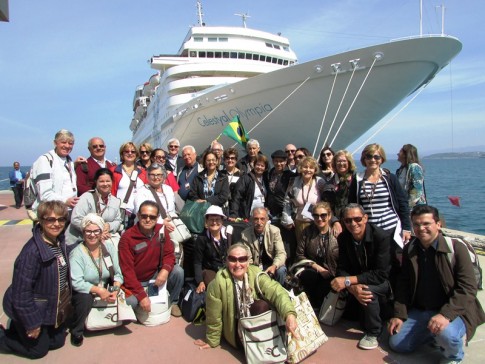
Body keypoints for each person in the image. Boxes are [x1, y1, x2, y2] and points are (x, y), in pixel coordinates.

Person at [388, 205, 485, 363]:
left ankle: (454, 355)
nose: (421, 228)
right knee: (398, 344)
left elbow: (468, 288)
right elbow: (403, 284)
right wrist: (400, 314)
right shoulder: (411, 249)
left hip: (454, 311)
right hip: (423, 309)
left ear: (438, 224)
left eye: (426, 224)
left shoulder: (456, 248)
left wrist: (445, 315)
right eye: (417, 224)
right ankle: (432, 333)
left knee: (447, 335)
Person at [194, 243, 299, 350]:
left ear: (248, 262)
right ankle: (258, 346)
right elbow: (214, 316)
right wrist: (212, 341)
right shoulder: (218, 283)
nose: (237, 264)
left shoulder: (256, 273)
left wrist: (289, 315)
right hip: (236, 330)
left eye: (242, 259)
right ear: (226, 261)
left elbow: (276, 292)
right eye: (232, 259)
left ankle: (265, 343)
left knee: (262, 305)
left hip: (257, 324)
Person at [1, 201, 71, 359]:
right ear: (40, 220)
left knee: (57, 341)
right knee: (38, 351)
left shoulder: (58, 241)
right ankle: (5, 336)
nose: (56, 224)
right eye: (50, 220)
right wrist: (32, 324)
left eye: (61, 219)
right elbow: (21, 294)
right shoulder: (31, 253)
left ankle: (17, 329)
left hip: (46, 306)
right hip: (28, 307)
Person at [331, 203, 393, 350]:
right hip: (358, 280)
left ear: (365, 218)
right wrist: (352, 287)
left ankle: (374, 332)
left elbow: (381, 274)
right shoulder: (344, 238)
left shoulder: (381, 237)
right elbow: (342, 268)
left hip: (383, 282)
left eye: (357, 219)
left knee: (366, 291)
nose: (353, 223)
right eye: (348, 220)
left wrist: (348, 281)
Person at [349, 143, 411, 271]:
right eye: (369, 156)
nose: (373, 160)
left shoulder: (389, 178)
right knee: (374, 262)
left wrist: (406, 227)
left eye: (376, 157)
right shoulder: (357, 179)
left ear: (381, 159)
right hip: (370, 230)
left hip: (391, 228)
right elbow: (352, 204)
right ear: (364, 159)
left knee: (394, 263)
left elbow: (403, 202)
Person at [118, 201, 184, 318]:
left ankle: (173, 302)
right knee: (130, 303)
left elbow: (169, 255)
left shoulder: (162, 231)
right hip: (136, 281)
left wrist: (165, 270)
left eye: (152, 217)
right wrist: (141, 295)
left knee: (178, 272)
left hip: (155, 275)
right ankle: (142, 302)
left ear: (157, 217)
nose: (148, 220)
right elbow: (127, 271)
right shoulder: (127, 238)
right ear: (138, 215)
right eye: (144, 216)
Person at [69, 214, 123, 347]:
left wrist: (115, 290)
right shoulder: (77, 254)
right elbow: (77, 282)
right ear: (83, 232)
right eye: (88, 231)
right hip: (87, 290)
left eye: (96, 231)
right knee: (84, 299)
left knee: (131, 301)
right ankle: (77, 331)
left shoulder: (108, 247)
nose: (92, 235)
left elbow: (118, 274)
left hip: (106, 287)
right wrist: (98, 290)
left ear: (101, 232)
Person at [66, 168, 123, 249]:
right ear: (96, 182)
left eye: (108, 181)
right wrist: (97, 231)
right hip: (80, 240)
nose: (105, 184)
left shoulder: (115, 201)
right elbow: (76, 219)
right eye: (101, 181)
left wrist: (109, 226)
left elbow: (118, 220)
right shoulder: (86, 197)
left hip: (103, 240)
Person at [296, 202, 339, 308]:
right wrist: (318, 268)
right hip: (313, 270)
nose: (319, 219)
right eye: (316, 215)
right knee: (309, 276)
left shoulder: (336, 233)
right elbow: (300, 255)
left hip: (332, 272)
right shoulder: (307, 232)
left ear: (329, 216)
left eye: (323, 215)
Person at [30, 129, 80, 216]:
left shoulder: (69, 162)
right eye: (63, 142)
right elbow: (45, 194)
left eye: (70, 143)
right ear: (55, 143)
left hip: (67, 212)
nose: (67, 146)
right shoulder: (45, 161)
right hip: (50, 213)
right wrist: (65, 201)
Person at [281, 156, 324, 244]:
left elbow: (326, 202)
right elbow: (287, 201)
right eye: (305, 167)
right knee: (301, 249)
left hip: (316, 223)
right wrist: (287, 219)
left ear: (315, 170)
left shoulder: (320, 182)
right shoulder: (293, 181)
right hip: (299, 223)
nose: (308, 170)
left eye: (311, 167)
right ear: (300, 168)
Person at [241, 207, 287, 285]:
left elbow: (281, 253)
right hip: (255, 265)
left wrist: (274, 266)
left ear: (267, 219)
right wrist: (256, 271)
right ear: (251, 220)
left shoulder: (275, 231)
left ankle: (280, 291)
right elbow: (248, 258)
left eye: (262, 219)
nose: (259, 222)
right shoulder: (245, 234)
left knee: (281, 270)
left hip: (271, 264)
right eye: (256, 219)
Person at [266, 149, 297, 264]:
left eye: (281, 161)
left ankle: (287, 263)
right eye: (276, 161)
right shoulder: (270, 173)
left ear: (286, 162)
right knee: (273, 239)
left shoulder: (290, 176)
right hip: (271, 212)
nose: (278, 164)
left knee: (286, 241)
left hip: (284, 212)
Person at [194, 206, 232, 293]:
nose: (214, 222)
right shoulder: (201, 239)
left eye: (217, 219)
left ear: (222, 221)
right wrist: (200, 281)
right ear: (206, 221)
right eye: (211, 219)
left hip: (227, 268)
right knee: (217, 286)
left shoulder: (228, 236)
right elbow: (197, 262)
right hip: (209, 270)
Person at [109, 142, 147, 227]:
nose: (130, 153)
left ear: (136, 154)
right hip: (122, 212)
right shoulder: (114, 171)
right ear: (122, 154)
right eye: (126, 151)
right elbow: (110, 193)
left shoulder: (143, 172)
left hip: (140, 214)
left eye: (133, 151)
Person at [133, 164, 176, 232]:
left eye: (159, 174)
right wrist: (162, 222)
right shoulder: (141, 191)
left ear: (163, 176)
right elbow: (140, 212)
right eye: (152, 175)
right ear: (148, 176)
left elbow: (172, 210)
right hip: (149, 230)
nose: (156, 177)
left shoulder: (168, 189)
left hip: (169, 229)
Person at [229, 154, 269, 220]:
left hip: (261, 215)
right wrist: (234, 214)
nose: (259, 167)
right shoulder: (246, 178)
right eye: (258, 165)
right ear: (254, 165)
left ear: (265, 168)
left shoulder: (266, 179)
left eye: (262, 166)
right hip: (249, 214)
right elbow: (237, 196)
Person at [321, 150, 357, 218]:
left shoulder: (356, 180)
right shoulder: (329, 184)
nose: (341, 163)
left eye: (344, 161)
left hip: (353, 219)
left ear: (349, 163)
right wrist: (334, 221)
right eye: (338, 161)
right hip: (337, 221)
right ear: (334, 164)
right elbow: (326, 206)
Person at [396, 144, 427, 208]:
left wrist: (407, 206)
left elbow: (417, 189)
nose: (398, 154)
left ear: (406, 154)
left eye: (400, 152)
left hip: (415, 208)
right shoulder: (400, 170)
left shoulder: (414, 167)